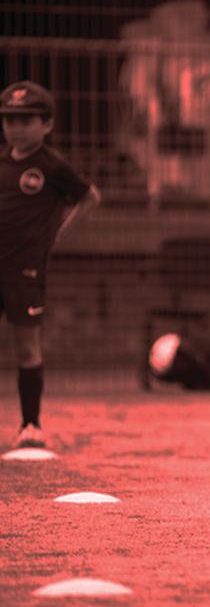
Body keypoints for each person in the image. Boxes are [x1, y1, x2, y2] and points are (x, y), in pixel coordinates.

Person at [1, 81, 102, 448]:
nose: (16, 128)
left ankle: (31, 425)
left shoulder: (51, 165)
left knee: (26, 345)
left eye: (26, 120)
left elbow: (90, 197)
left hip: (25, 270)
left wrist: (58, 233)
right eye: (10, 120)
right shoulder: (2, 162)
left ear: (46, 124)